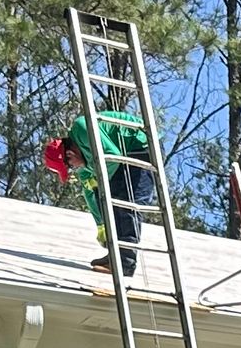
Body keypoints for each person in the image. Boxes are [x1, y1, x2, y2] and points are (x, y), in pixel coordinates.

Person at [41, 107, 157, 277]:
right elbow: (90, 193)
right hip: (125, 157)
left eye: (70, 166)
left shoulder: (82, 128)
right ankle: (115, 255)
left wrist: (101, 184)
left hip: (141, 148)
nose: (74, 168)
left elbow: (112, 156)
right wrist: (101, 224)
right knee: (109, 203)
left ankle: (125, 263)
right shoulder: (85, 164)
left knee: (126, 206)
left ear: (70, 154)